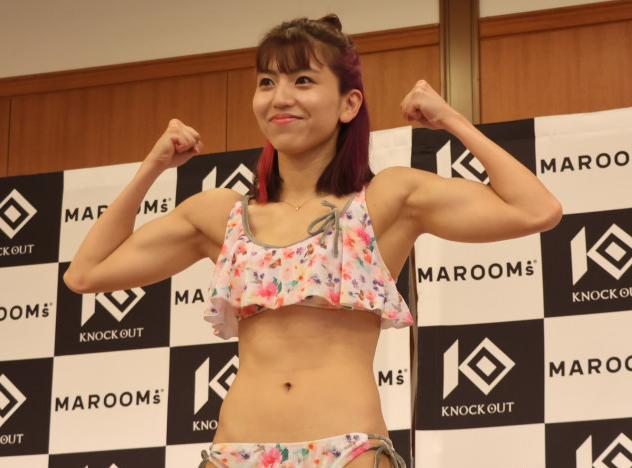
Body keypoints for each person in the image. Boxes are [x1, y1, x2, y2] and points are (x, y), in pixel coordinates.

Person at [63, 14, 562, 468]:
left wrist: (450, 119)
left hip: (348, 451)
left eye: (303, 80)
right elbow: (86, 273)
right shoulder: (222, 214)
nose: (280, 97)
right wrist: (153, 166)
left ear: (349, 103)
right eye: (267, 82)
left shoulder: (386, 199)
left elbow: (537, 210)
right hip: (236, 453)